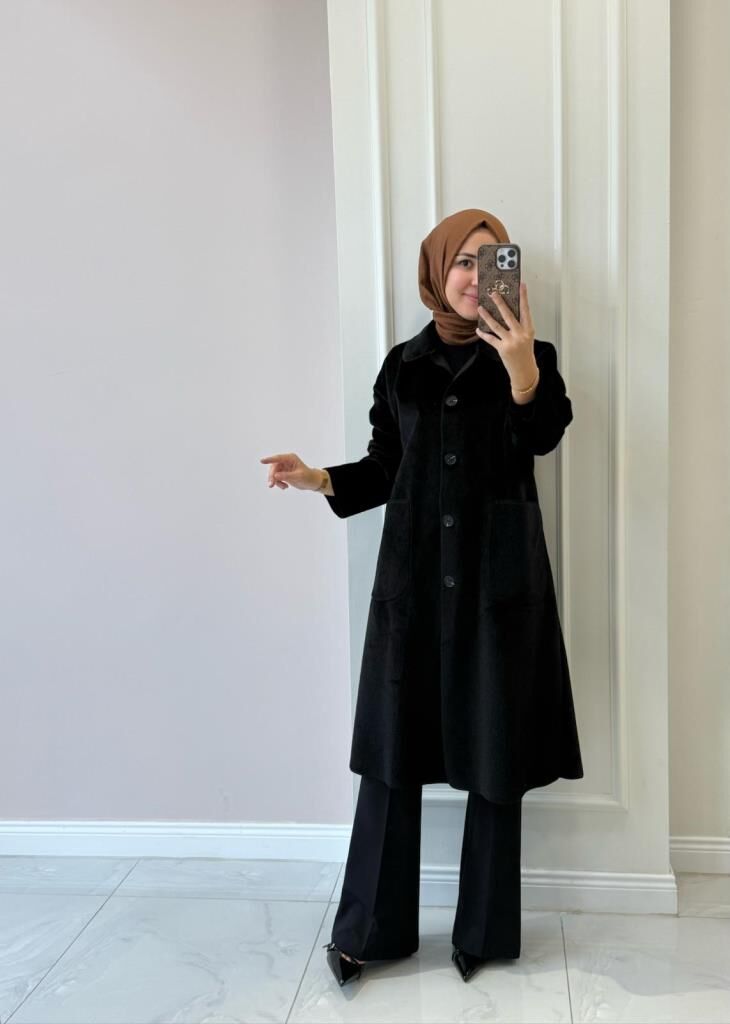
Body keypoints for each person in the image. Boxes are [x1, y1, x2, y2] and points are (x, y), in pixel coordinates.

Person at [260, 208, 584, 986]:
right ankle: (369, 932)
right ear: (437, 272)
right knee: (391, 753)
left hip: (496, 585)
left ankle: (485, 934)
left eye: (491, 260)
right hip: (411, 583)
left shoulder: (531, 356)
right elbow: (386, 466)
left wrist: (521, 369)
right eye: (462, 261)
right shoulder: (402, 366)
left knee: (494, 751)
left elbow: (543, 435)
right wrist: (319, 478)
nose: (475, 276)